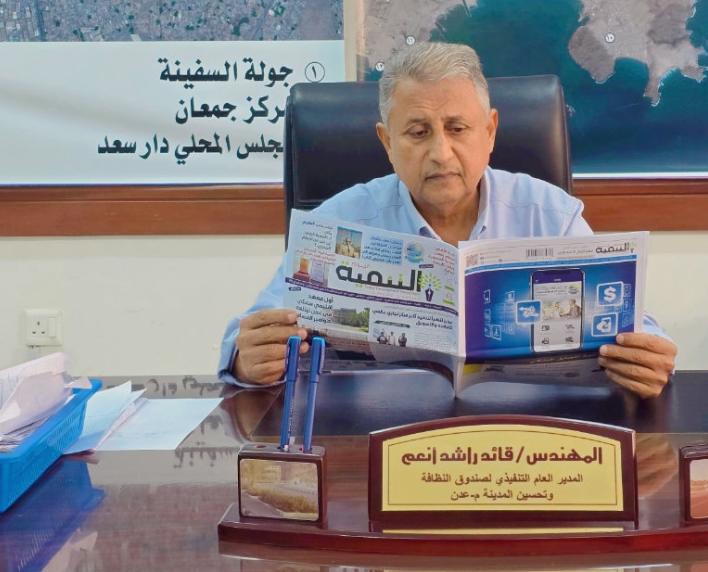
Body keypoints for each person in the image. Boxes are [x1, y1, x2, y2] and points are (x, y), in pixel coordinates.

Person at [218, 42, 677, 398]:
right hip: (376, 436)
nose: (441, 153)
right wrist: (247, 359)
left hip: (522, 438)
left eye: (457, 129)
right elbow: (252, 332)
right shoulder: (337, 222)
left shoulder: (550, 215)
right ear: (387, 142)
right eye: (418, 133)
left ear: (490, 131)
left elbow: (632, 327)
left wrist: (647, 357)